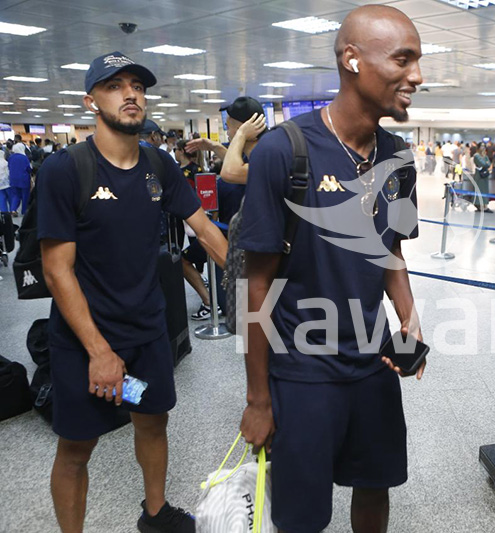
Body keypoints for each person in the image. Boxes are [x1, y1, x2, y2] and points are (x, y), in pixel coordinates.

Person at [237, 5, 424, 531]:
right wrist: (258, 399)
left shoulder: (398, 157)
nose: (416, 76)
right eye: (403, 60)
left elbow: (391, 252)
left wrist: (409, 318)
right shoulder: (283, 151)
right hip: (303, 371)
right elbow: (256, 286)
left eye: (418, 61)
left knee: (375, 488)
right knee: (302, 515)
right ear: (352, 60)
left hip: (373, 364)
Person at [37, 51, 228, 533]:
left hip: (146, 334)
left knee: (152, 419)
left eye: (137, 87)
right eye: (114, 86)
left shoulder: (158, 164)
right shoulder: (67, 169)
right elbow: (57, 271)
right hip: (86, 342)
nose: (130, 95)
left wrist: (263, 288)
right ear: (91, 101)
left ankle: (155, 514)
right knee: (77, 447)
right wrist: (99, 351)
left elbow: (205, 230)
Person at [184, 96, 267, 184]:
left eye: (228, 127)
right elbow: (235, 165)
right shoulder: (255, 155)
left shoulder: (267, 157)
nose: (227, 132)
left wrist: (241, 134)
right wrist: (215, 147)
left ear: (242, 129)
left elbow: (230, 173)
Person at [7, 143, 31, 216]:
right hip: (24, 179)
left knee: (15, 195)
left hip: (13, 178)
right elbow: (28, 168)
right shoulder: (24, 157)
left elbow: (9, 167)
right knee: (25, 195)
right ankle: (24, 211)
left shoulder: (11, 157)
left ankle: (13, 209)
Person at [473, 143, 492, 212]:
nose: (483, 147)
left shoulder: (485, 156)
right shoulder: (476, 156)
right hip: (479, 175)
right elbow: (483, 164)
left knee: (485, 190)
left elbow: (489, 164)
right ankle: (480, 205)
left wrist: (486, 162)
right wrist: (486, 163)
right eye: (481, 146)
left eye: (484, 146)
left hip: (485, 175)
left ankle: (485, 205)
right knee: (480, 190)